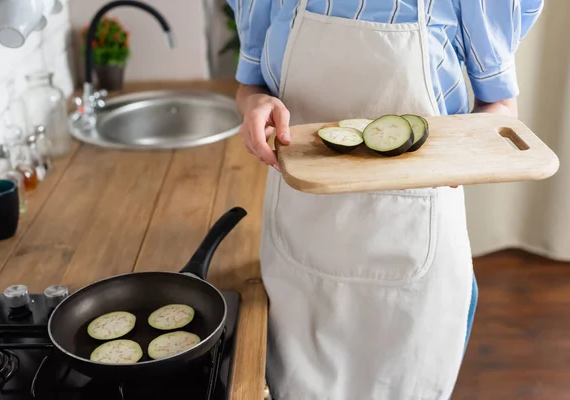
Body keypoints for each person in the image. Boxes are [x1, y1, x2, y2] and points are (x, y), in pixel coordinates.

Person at [227, 0, 544, 398]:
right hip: (299, 247)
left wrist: (460, 154)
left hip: (416, 251)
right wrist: (255, 105)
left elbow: (500, 109)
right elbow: (248, 88)